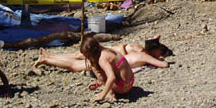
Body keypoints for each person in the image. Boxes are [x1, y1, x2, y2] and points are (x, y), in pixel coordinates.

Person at [33, 35, 172, 74]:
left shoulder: (142, 52)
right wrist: (160, 60)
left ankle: (48, 58)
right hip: (110, 58)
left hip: (110, 56)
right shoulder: (142, 52)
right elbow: (164, 64)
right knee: (76, 61)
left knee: (77, 61)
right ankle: (48, 58)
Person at [79, 35, 134, 102]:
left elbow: (112, 77)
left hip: (123, 87)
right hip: (131, 81)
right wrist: (99, 83)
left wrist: (102, 95)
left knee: (94, 66)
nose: (88, 58)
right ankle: (109, 88)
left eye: (88, 56)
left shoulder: (103, 58)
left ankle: (110, 93)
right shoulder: (109, 50)